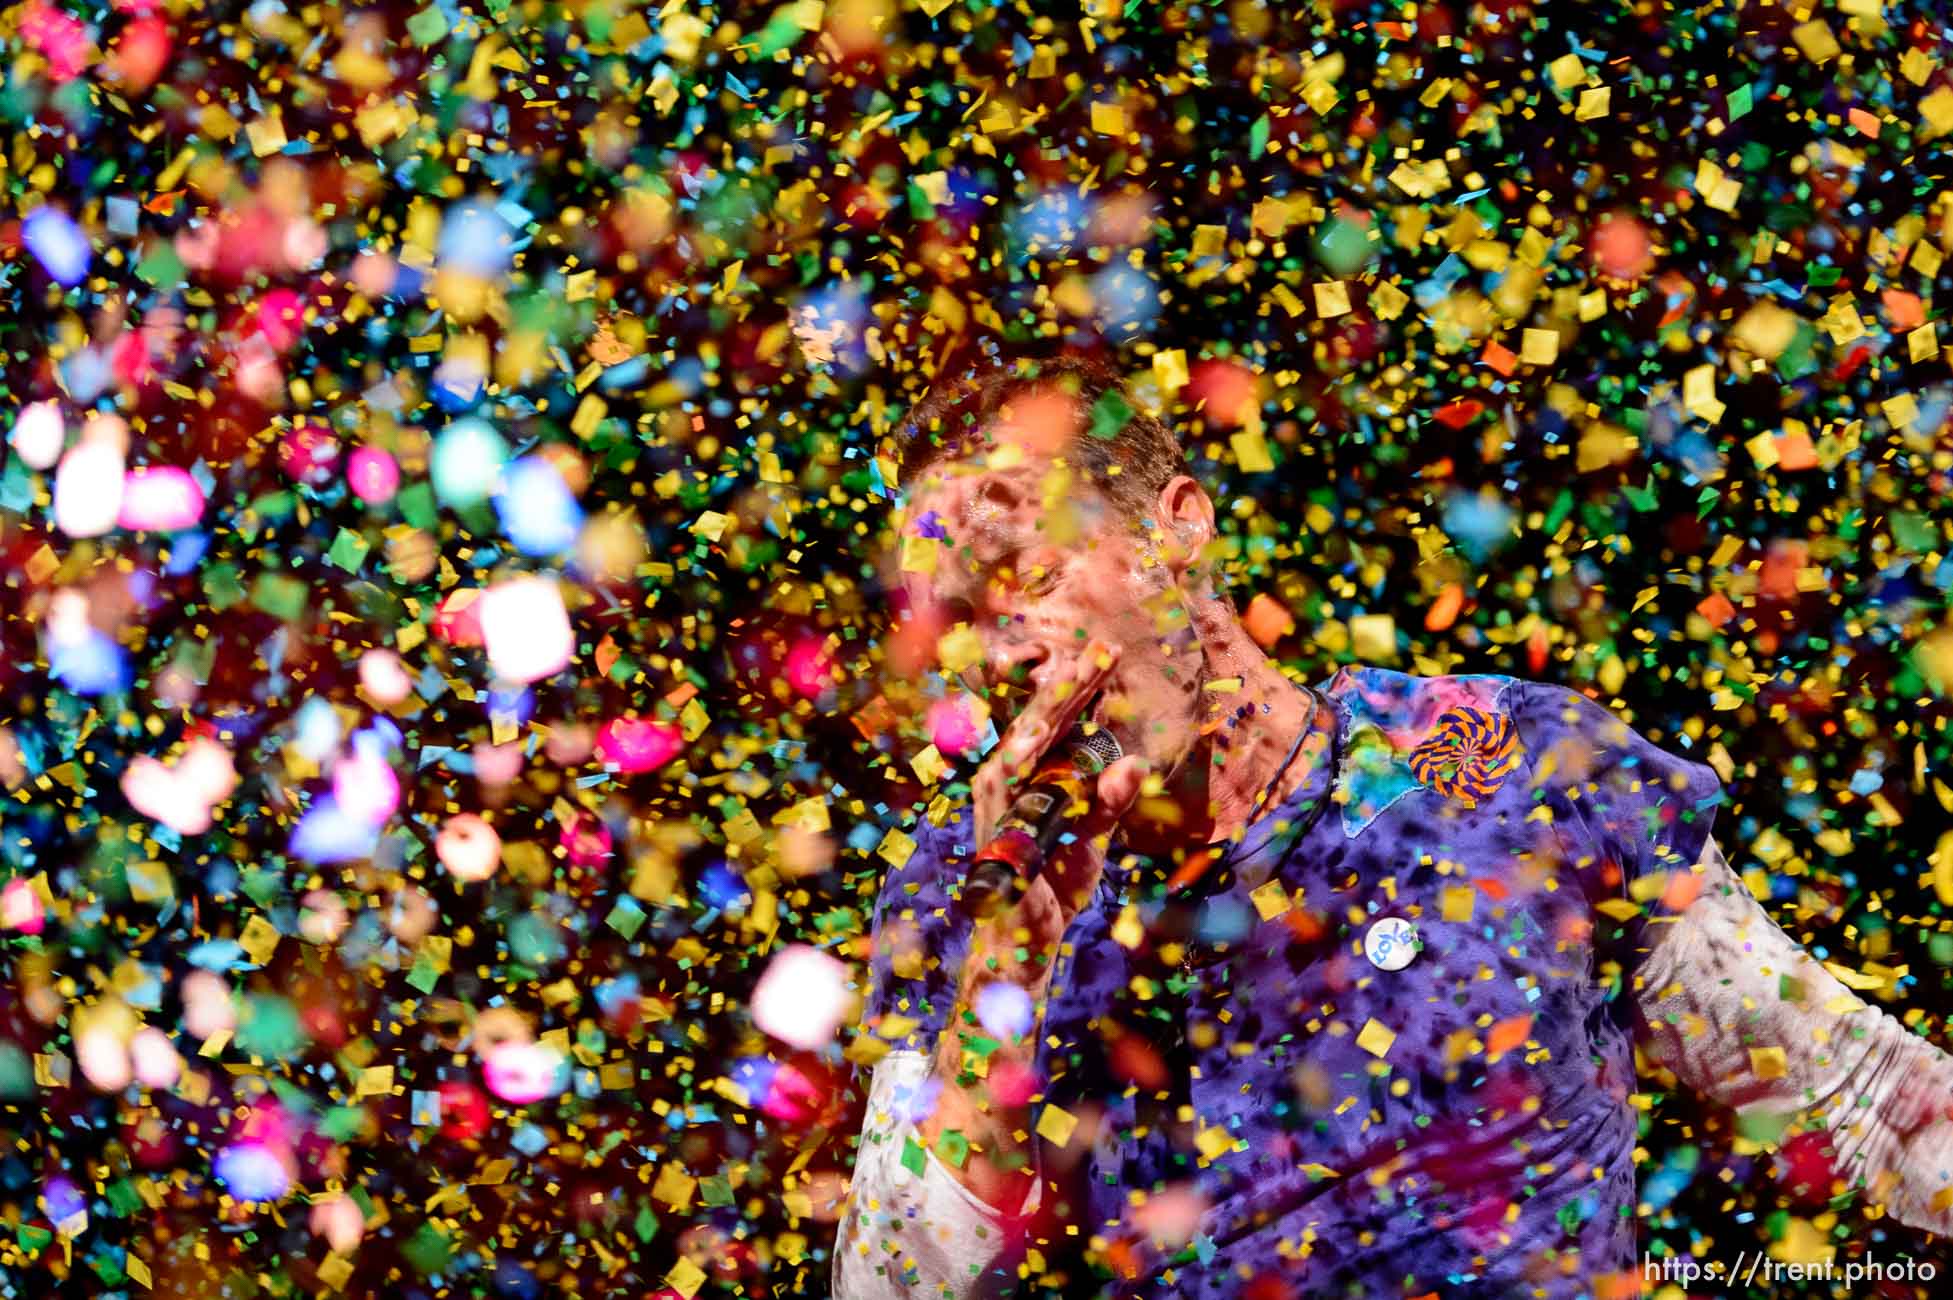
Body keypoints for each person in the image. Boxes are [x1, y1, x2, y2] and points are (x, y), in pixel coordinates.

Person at [830, 353, 1953, 1299]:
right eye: (961, 617)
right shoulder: (969, 879)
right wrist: (999, 991)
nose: (1001, 647)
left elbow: (1856, 1097)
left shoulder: (1507, 763)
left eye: (1021, 574)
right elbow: (894, 1283)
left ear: (1175, 532)